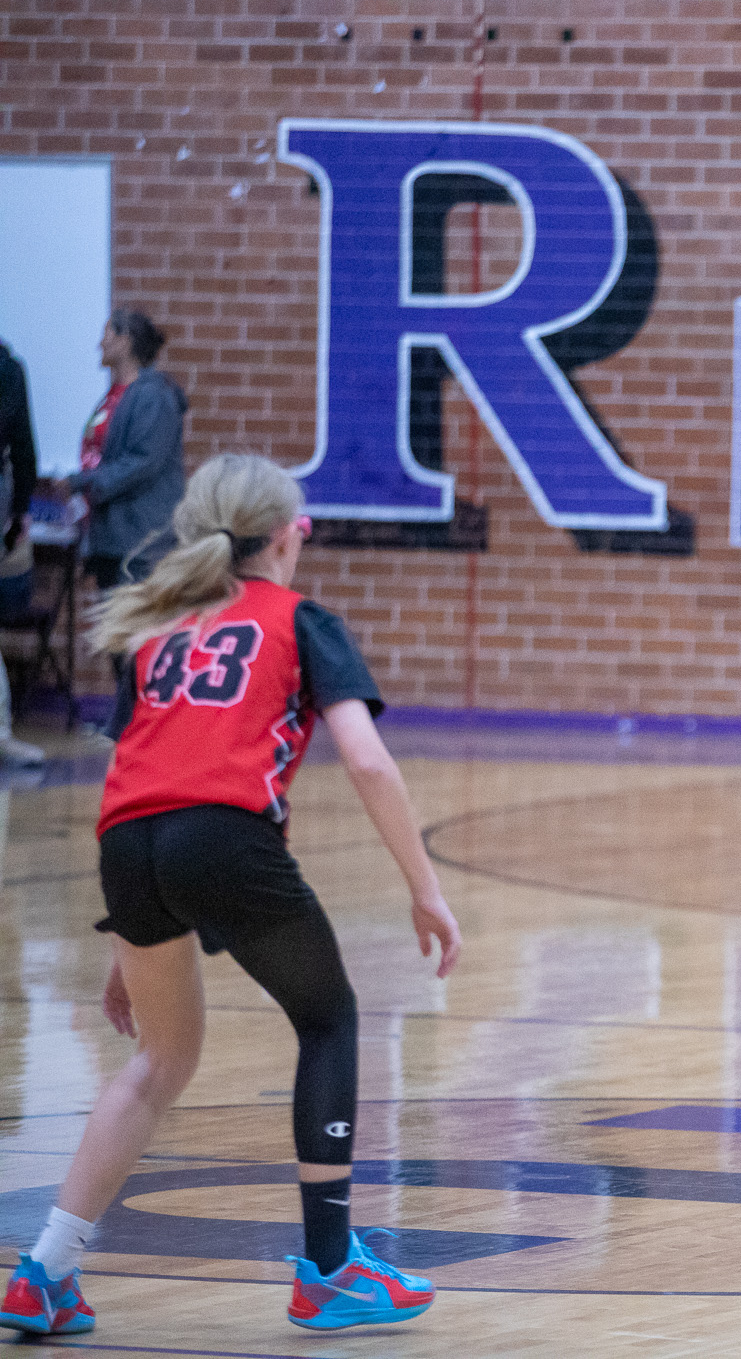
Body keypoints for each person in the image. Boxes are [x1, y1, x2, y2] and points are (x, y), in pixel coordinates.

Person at [0, 454, 462, 1337]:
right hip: (223, 835)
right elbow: (367, 759)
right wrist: (425, 889)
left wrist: (124, 940)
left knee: (160, 1061)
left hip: (126, 848)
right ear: (289, 537)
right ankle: (329, 1267)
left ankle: (42, 1271)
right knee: (327, 1016)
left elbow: (138, 772)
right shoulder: (300, 620)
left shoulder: (156, 629)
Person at [66, 308, 186, 589]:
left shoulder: (153, 396)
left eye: (106, 335)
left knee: (134, 630)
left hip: (140, 543)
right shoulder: (116, 396)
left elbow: (142, 463)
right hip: (112, 539)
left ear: (125, 341)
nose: (100, 344)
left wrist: (81, 483)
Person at [0, 339, 45, 765]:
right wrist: (17, 514)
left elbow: (24, 448)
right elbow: (24, 447)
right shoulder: (9, 365)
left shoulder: (8, 367)